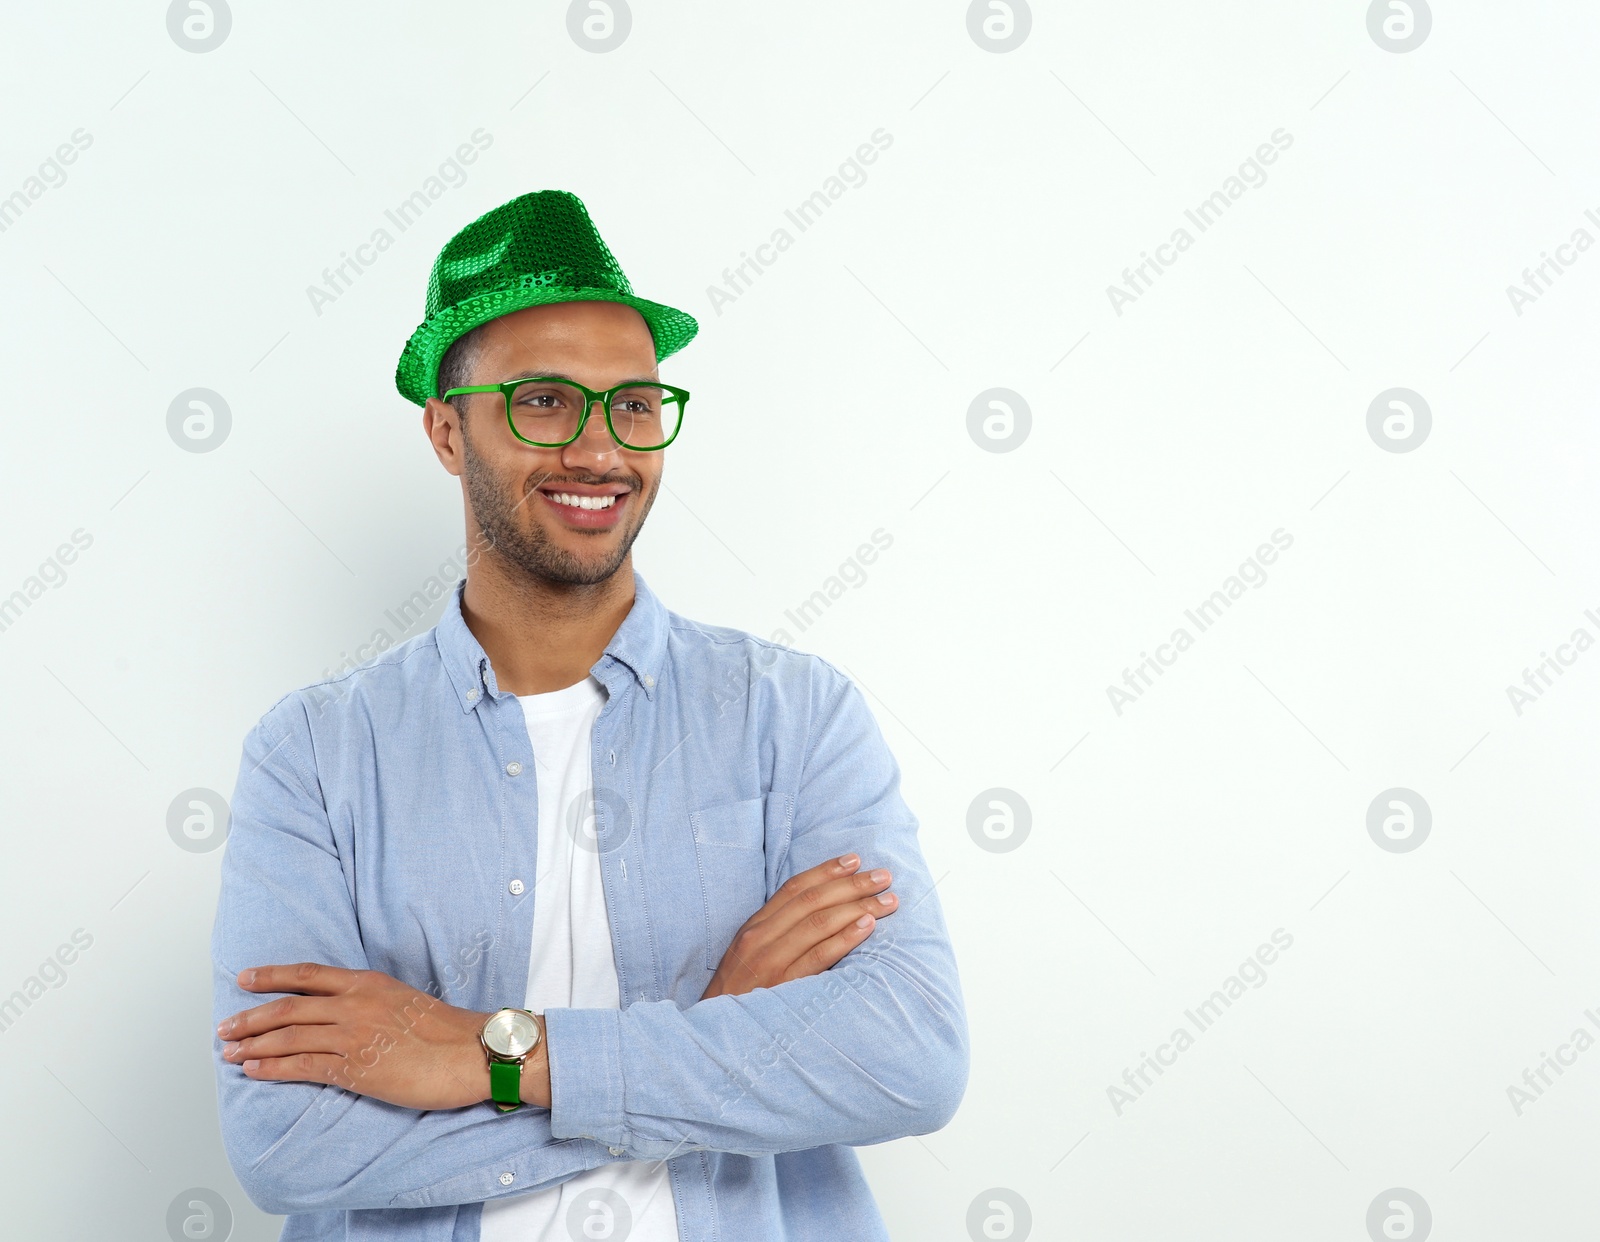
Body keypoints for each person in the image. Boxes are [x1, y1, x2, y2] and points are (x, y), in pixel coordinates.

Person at [209, 189, 968, 1241]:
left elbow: (908, 1058)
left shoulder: (794, 716)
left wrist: (490, 1054)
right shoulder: (315, 755)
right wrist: (713, 1039)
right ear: (445, 430)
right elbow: (289, 1146)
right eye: (545, 403)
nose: (602, 450)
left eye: (634, 405)